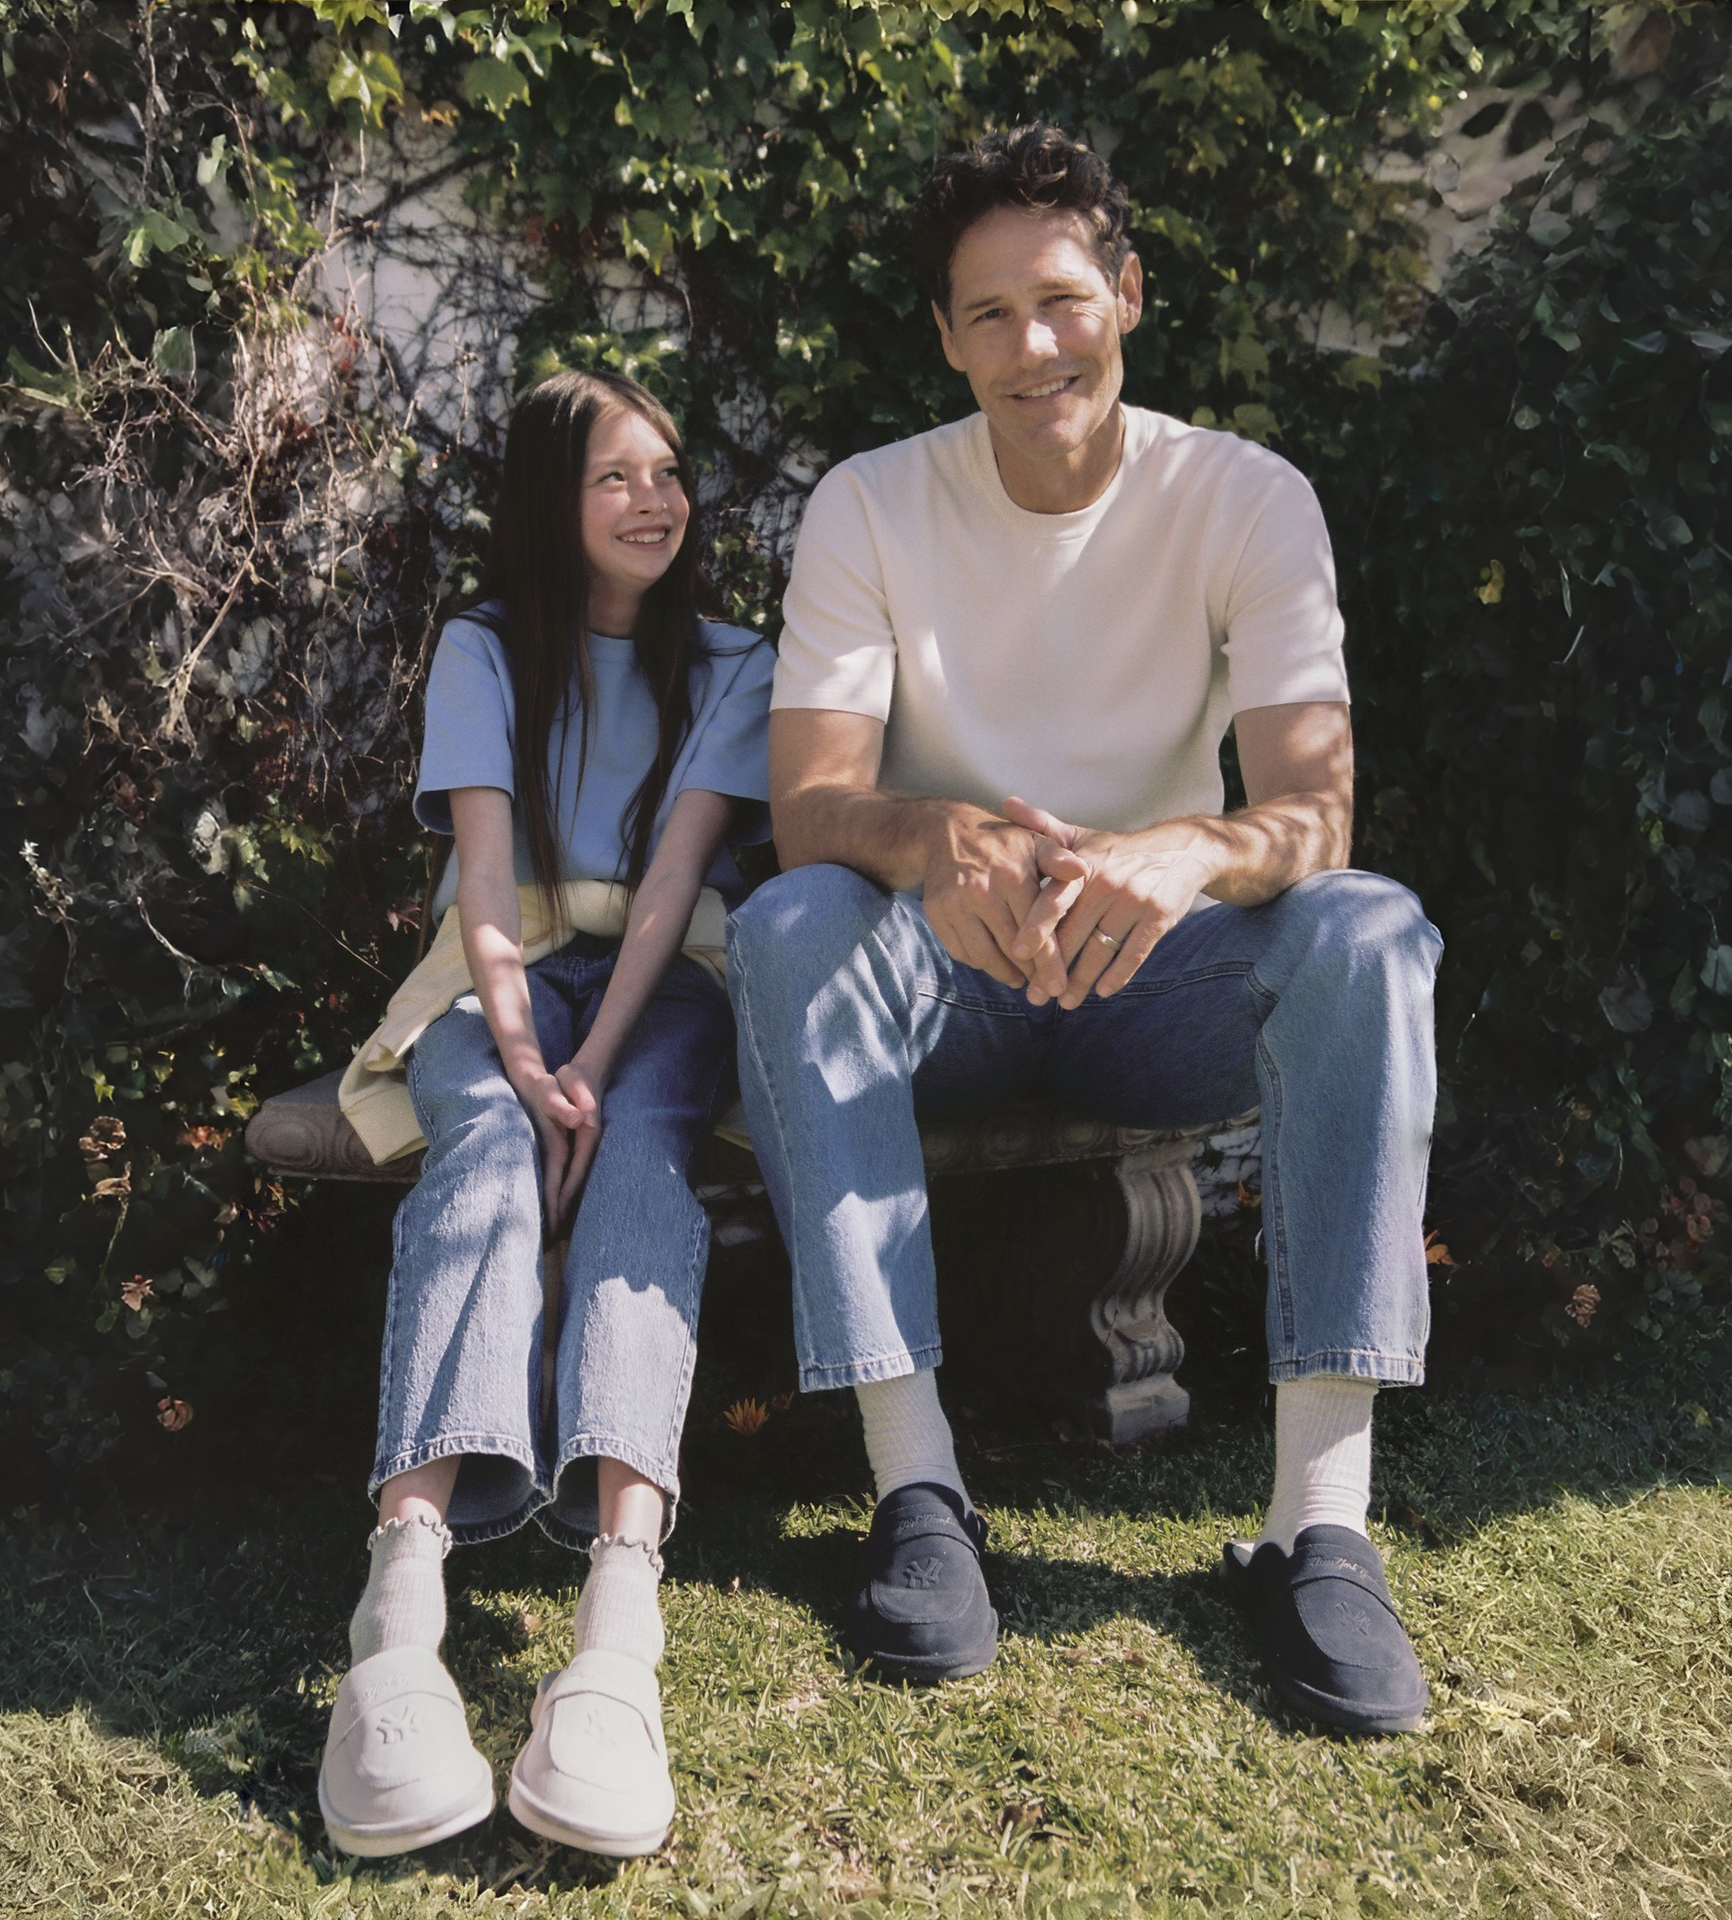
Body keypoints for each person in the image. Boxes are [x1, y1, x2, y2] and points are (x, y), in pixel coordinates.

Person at [726, 124, 1440, 1736]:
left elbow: (1318, 816)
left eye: (1059, 299)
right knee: (786, 926)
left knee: (1369, 930)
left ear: (1126, 293)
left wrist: (1189, 850)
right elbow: (810, 808)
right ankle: (918, 1495)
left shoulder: (1246, 498)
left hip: (1160, 980)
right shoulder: (869, 506)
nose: (1030, 346)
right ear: (945, 337)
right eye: (986, 315)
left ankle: (1317, 1525)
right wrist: (929, 835)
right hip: (946, 987)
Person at [318, 369, 774, 1858]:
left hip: (662, 986)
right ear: (549, 505)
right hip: (494, 985)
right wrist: (525, 1065)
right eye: (614, 478)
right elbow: (489, 878)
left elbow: (669, 888)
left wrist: (599, 1065)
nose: (657, 499)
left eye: (669, 470)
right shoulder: (483, 649)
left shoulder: (729, 661)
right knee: (491, 1160)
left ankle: (619, 1622)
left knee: (642, 1152)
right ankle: (399, 1605)